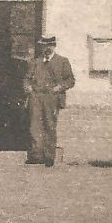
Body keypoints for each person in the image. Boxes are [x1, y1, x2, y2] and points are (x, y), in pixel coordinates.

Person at [24, 35, 76, 166]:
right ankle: (36, 155)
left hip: (52, 97)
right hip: (36, 96)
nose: (47, 48)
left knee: (50, 125)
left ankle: (49, 156)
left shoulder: (62, 61)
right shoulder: (36, 62)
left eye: (49, 45)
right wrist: (28, 87)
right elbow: (27, 78)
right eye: (44, 46)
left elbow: (70, 80)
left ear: (54, 46)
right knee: (35, 126)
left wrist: (60, 87)